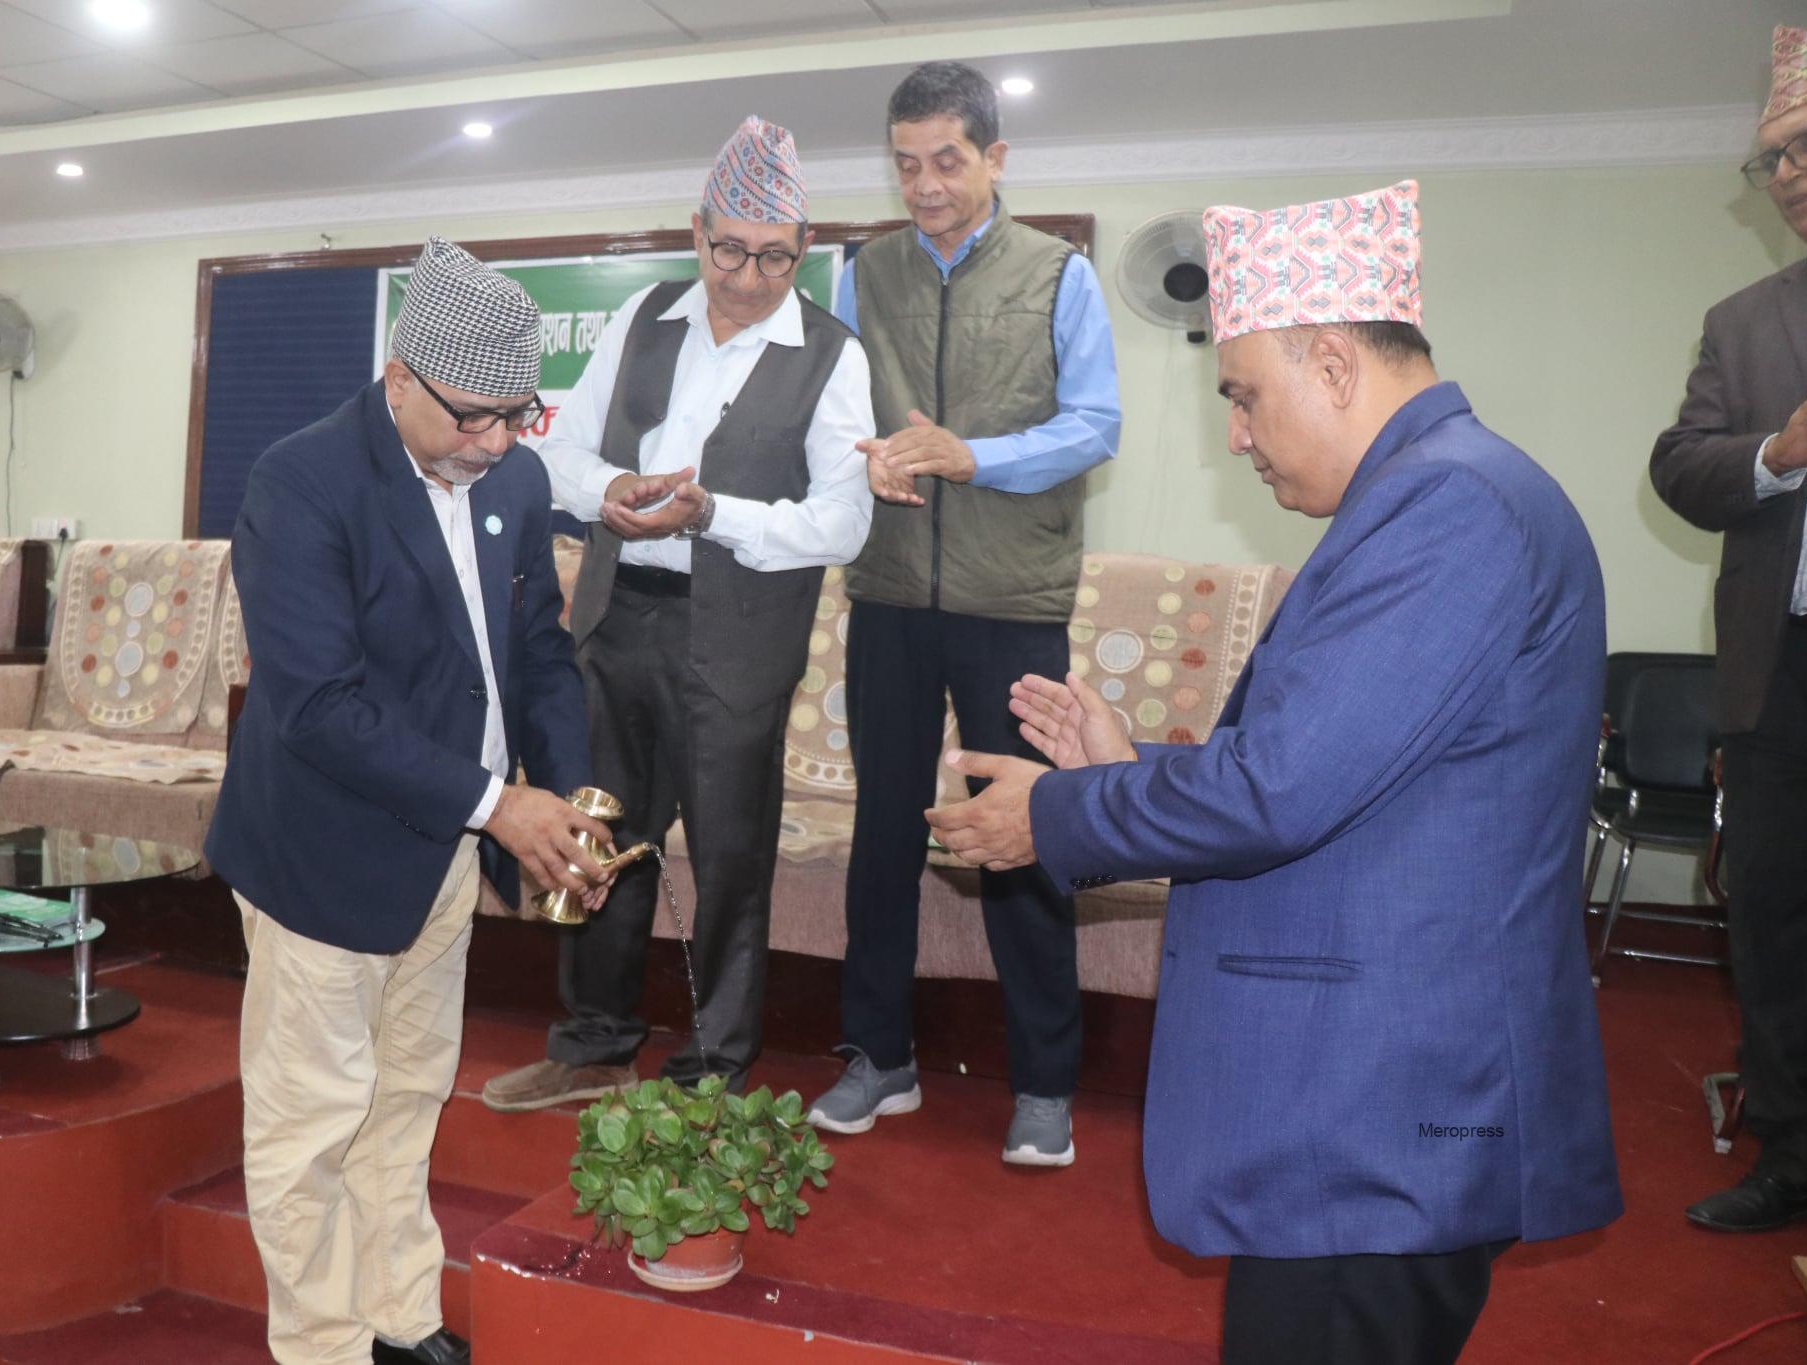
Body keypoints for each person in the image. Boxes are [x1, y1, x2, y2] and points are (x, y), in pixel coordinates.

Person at [926, 181, 1621, 1363]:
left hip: (1381, 1104)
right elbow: (1355, 767)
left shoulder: (1446, 506)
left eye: (1243, 397)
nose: (1235, 438)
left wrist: (1059, 813)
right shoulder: (1436, 492)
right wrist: (1123, 765)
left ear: (1333, 364)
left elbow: (1282, 789)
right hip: (1372, 1095)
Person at [205, 237, 612, 1365]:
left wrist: (565, 794)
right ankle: (325, 1346)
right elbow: (317, 705)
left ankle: (401, 1315)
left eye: (515, 416)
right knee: (312, 1118)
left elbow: (538, 652)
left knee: (410, 1094)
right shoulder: (302, 480)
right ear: (398, 378)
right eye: (472, 417)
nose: (494, 442)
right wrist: (498, 805)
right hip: (319, 852)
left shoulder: (514, 479)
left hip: (443, 847)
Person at [480, 116, 873, 1112]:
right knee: (595, 836)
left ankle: (716, 1068)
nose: (747, 278)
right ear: (696, 232)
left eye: (774, 257)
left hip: (738, 639)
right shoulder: (644, 315)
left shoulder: (832, 354)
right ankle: (593, 1046)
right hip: (615, 618)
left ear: (804, 249)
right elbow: (556, 454)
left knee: (731, 858)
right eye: (729, 250)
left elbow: (844, 520)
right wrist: (608, 489)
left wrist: (713, 514)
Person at [808, 60, 1120, 1168]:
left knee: (1023, 830)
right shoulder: (863, 272)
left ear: (995, 157)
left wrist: (971, 456)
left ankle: (1043, 1083)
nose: (925, 185)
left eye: (946, 160)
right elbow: (837, 411)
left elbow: (1095, 425)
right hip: (890, 594)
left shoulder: (1059, 272)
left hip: (1010, 601)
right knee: (882, 831)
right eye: (906, 165)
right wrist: (863, 460)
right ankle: (877, 1057)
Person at [1652, 22, 1807, 1236]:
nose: (1785, 174)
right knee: (1773, 923)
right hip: (1780, 678)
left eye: (1803, 147)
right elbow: (1679, 466)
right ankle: (1791, 1161)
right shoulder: (1743, 320)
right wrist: (1775, 451)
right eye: (1771, 159)